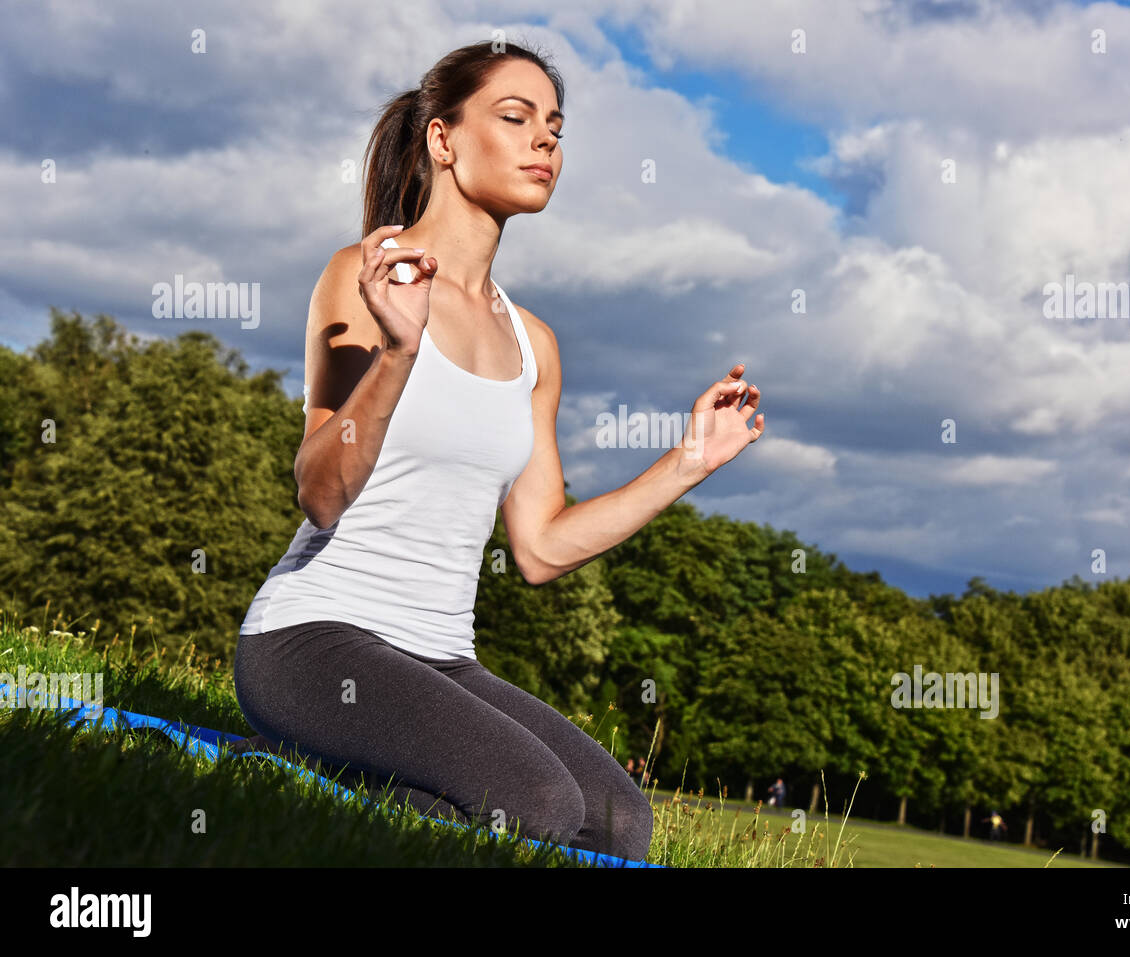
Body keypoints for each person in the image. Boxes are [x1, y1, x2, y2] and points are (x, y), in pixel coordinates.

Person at [232, 39, 765, 863]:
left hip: (440, 655)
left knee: (620, 822)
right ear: (442, 139)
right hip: (312, 638)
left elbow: (542, 547)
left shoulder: (535, 344)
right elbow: (320, 493)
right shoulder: (366, 275)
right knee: (537, 802)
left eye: (555, 126)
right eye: (516, 118)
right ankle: (284, 771)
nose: (545, 141)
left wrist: (687, 461)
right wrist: (399, 355)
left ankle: (320, 769)